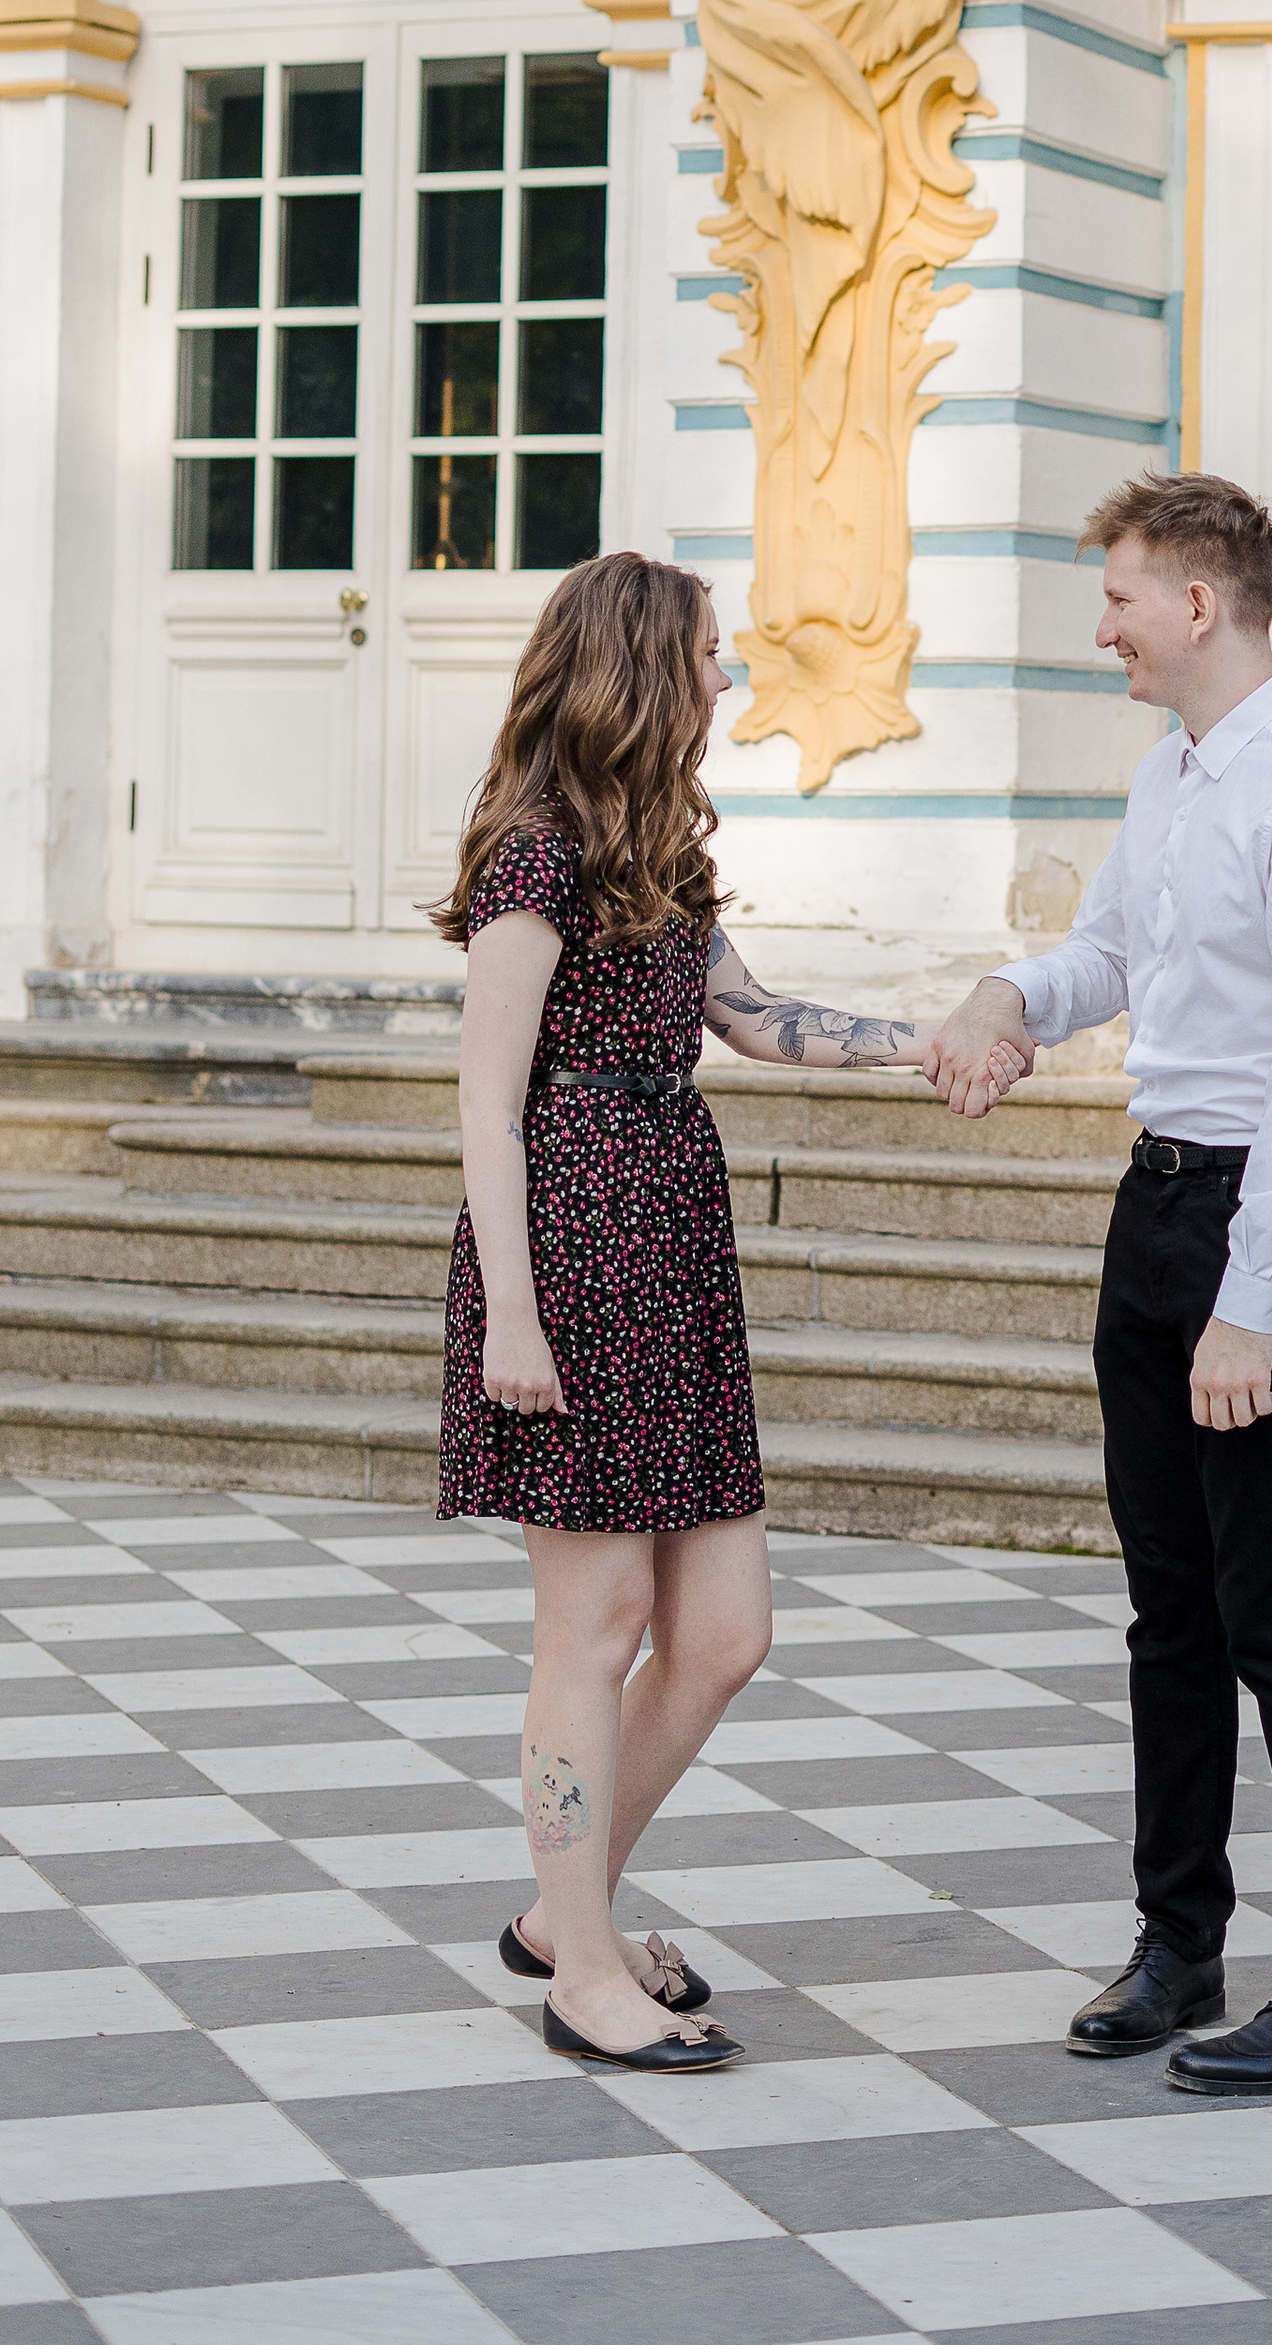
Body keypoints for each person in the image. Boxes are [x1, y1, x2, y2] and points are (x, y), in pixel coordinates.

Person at [924, 472, 1272, 2097]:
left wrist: (1253, 1303)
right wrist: (1009, 993)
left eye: (1122, 593)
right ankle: (1179, 1943)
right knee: (1170, 1609)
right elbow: (1118, 959)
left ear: (1199, 605)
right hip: (1163, 1198)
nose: (1104, 623)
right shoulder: (1174, 775)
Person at [433, 550, 927, 2072]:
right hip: (569, 1247)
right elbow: (484, 1097)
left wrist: (937, 1042)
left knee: (722, 1632)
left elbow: (757, 1019)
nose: (730, 678)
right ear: (647, 667)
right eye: (713, 655)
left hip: (670, 1242)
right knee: (594, 1624)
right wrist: (512, 1316)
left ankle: (553, 1912)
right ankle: (584, 1962)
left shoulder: (663, 852)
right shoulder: (536, 853)